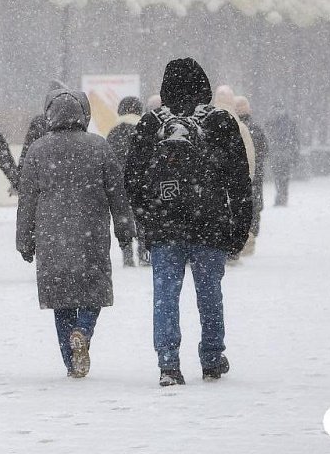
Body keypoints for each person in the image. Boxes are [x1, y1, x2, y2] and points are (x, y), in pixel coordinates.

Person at [124, 58, 252, 387]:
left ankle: (168, 363)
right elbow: (239, 181)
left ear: (166, 88)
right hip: (209, 224)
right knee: (209, 294)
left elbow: (133, 181)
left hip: (165, 226)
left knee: (165, 294)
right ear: (205, 88)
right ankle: (211, 357)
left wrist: (146, 224)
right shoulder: (221, 121)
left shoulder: (151, 123)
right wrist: (239, 228)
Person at [16, 88, 132, 378]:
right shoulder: (99, 146)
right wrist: (124, 230)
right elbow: (117, 193)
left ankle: (71, 362)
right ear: (84, 113)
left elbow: (27, 201)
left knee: (61, 300)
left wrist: (25, 241)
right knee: (92, 291)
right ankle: (84, 331)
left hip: (51, 237)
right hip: (90, 234)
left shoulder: (37, 150)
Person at [106, 96, 149, 266]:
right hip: (141, 181)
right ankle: (144, 252)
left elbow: (108, 159)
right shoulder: (145, 128)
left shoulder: (113, 131)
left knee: (123, 216)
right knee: (143, 217)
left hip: (119, 182)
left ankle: (127, 252)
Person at [234, 96, 267, 256]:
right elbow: (263, 152)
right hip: (254, 178)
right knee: (253, 208)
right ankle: (250, 241)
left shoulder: (230, 128)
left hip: (239, 179)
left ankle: (243, 241)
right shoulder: (255, 129)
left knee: (241, 209)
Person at [18, 80, 67, 170]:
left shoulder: (38, 122)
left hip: (43, 174)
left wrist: (18, 179)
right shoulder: (72, 123)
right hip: (66, 174)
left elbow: (26, 154)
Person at [266, 107, 299, 206]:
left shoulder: (274, 123)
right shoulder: (289, 123)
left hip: (279, 154)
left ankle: (280, 196)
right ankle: (282, 196)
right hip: (284, 155)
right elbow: (295, 141)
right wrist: (295, 156)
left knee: (279, 177)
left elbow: (270, 138)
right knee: (283, 177)